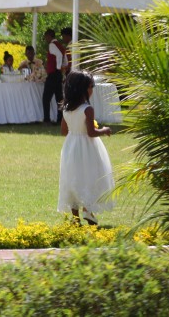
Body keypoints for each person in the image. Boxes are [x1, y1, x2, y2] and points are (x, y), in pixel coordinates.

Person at [58, 70, 114, 225]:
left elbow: (63, 131)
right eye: (91, 87)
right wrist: (104, 130)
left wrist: (75, 130)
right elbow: (91, 132)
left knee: (73, 177)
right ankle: (88, 210)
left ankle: (75, 218)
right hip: (88, 148)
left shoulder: (67, 108)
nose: (92, 90)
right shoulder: (87, 109)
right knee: (90, 176)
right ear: (82, 89)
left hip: (71, 147)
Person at [42, 29, 67, 125]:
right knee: (59, 98)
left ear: (49, 36)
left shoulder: (52, 45)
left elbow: (60, 55)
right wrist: (62, 66)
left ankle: (47, 119)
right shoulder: (60, 45)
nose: (45, 39)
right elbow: (64, 58)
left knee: (46, 98)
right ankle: (60, 119)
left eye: (45, 37)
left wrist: (57, 67)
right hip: (58, 74)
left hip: (53, 73)